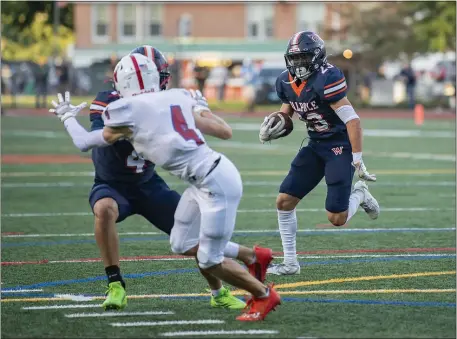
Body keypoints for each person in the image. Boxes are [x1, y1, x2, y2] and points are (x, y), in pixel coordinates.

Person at [50, 53, 281, 321]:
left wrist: (67, 117)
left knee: (208, 258)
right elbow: (223, 131)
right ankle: (252, 258)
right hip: (206, 179)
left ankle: (263, 294)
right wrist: (201, 109)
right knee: (181, 242)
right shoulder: (178, 96)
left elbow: (84, 142)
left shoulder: (126, 109)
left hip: (214, 182)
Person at [259, 31, 380, 276]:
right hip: (315, 145)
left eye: (303, 58)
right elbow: (287, 113)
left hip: (338, 146)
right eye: (294, 58)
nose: (298, 64)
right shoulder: (286, 81)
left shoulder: (327, 77)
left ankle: (360, 195)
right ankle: (291, 263)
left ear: (316, 57)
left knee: (337, 217)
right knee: (284, 201)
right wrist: (274, 126)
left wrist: (357, 158)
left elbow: (353, 121)